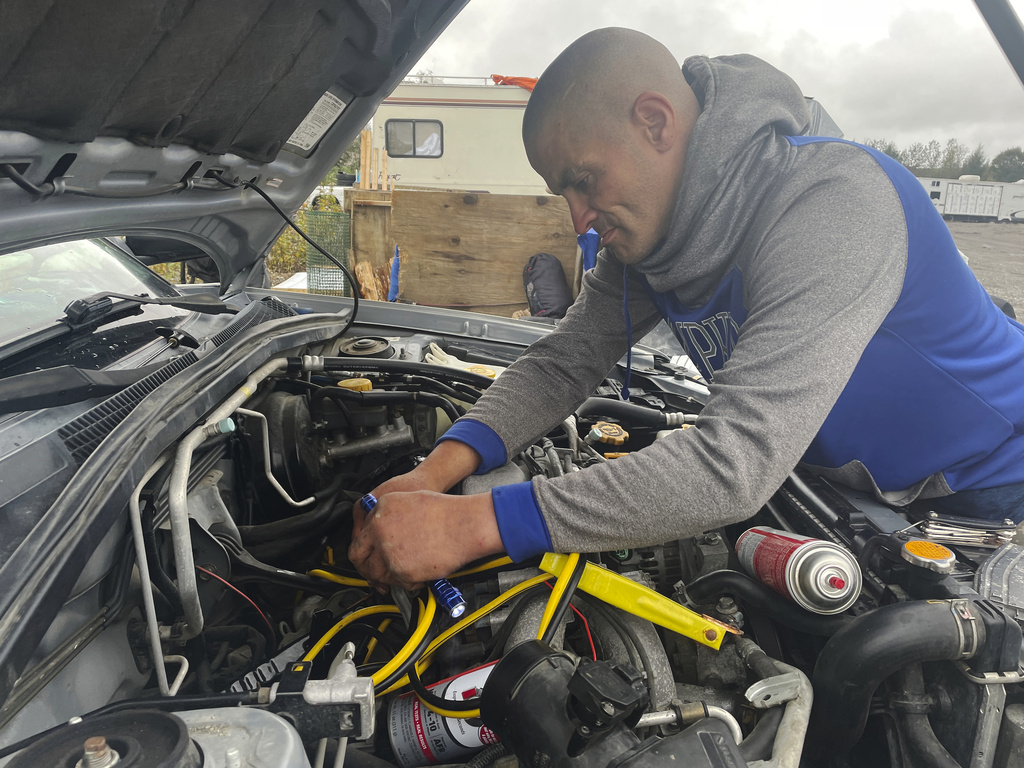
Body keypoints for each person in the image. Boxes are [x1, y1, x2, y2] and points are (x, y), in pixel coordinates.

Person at [349, 27, 1024, 590]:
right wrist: (432, 475)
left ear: (654, 121)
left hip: (994, 485)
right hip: (847, 492)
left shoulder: (834, 203)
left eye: (583, 181)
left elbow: (734, 464)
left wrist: (474, 525)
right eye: (563, 192)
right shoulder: (654, 239)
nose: (578, 217)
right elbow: (561, 365)